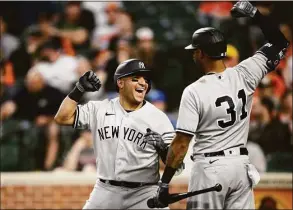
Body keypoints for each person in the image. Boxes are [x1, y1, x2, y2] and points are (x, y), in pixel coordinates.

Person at [151, 0, 289, 209]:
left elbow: (180, 145)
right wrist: (255, 14)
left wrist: (164, 182)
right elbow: (279, 42)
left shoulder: (194, 91)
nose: (193, 54)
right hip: (240, 167)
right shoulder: (245, 73)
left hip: (210, 169)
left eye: (195, 50)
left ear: (202, 53)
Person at [54, 58, 181, 209]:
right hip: (105, 189)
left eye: (145, 79)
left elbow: (176, 166)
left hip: (145, 192)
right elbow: (62, 118)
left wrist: (163, 149)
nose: (143, 83)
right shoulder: (100, 109)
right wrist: (79, 89)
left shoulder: (159, 118)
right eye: (135, 79)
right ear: (120, 83)